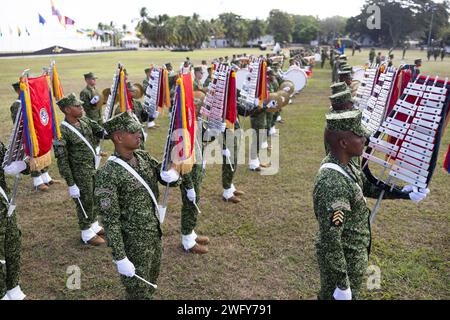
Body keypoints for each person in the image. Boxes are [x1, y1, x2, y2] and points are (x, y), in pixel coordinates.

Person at [313, 110, 430, 300]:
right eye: (359, 136)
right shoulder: (332, 183)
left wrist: (404, 192)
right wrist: (342, 284)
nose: (365, 140)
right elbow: (330, 240)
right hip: (344, 266)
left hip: (353, 259)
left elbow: (365, 187)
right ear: (343, 143)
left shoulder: (346, 164)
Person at [94, 111, 180, 300]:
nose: (139, 134)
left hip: (154, 235)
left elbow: (164, 176)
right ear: (118, 137)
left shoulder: (142, 157)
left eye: (139, 130)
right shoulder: (108, 174)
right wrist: (120, 257)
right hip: (133, 244)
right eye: (133, 132)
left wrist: (172, 174)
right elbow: (110, 221)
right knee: (138, 293)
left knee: (150, 284)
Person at [54, 93, 106, 246]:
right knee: (85, 200)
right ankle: (86, 232)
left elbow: (100, 131)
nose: (81, 108)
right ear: (67, 110)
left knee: (94, 197)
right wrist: (71, 184)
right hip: (79, 173)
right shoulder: (61, 131)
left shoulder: (84, 120)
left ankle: (93, 224)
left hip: (92, 167)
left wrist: (110, 130)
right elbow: (62, 160)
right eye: (77, 106)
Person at [10, 82, 58, 192]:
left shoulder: (30, 102)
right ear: (18, 91)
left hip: (37, 133)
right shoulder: (17, 105)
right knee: (34, 156)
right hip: (27, 136)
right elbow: (18, 124)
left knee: (42, 153)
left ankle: (46, 177)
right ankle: (37, 181)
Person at [0, 141, 28, 300]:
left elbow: (7, 159)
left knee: (12, 244)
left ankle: (13, 287)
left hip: (4, 207)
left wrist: (22, 165)